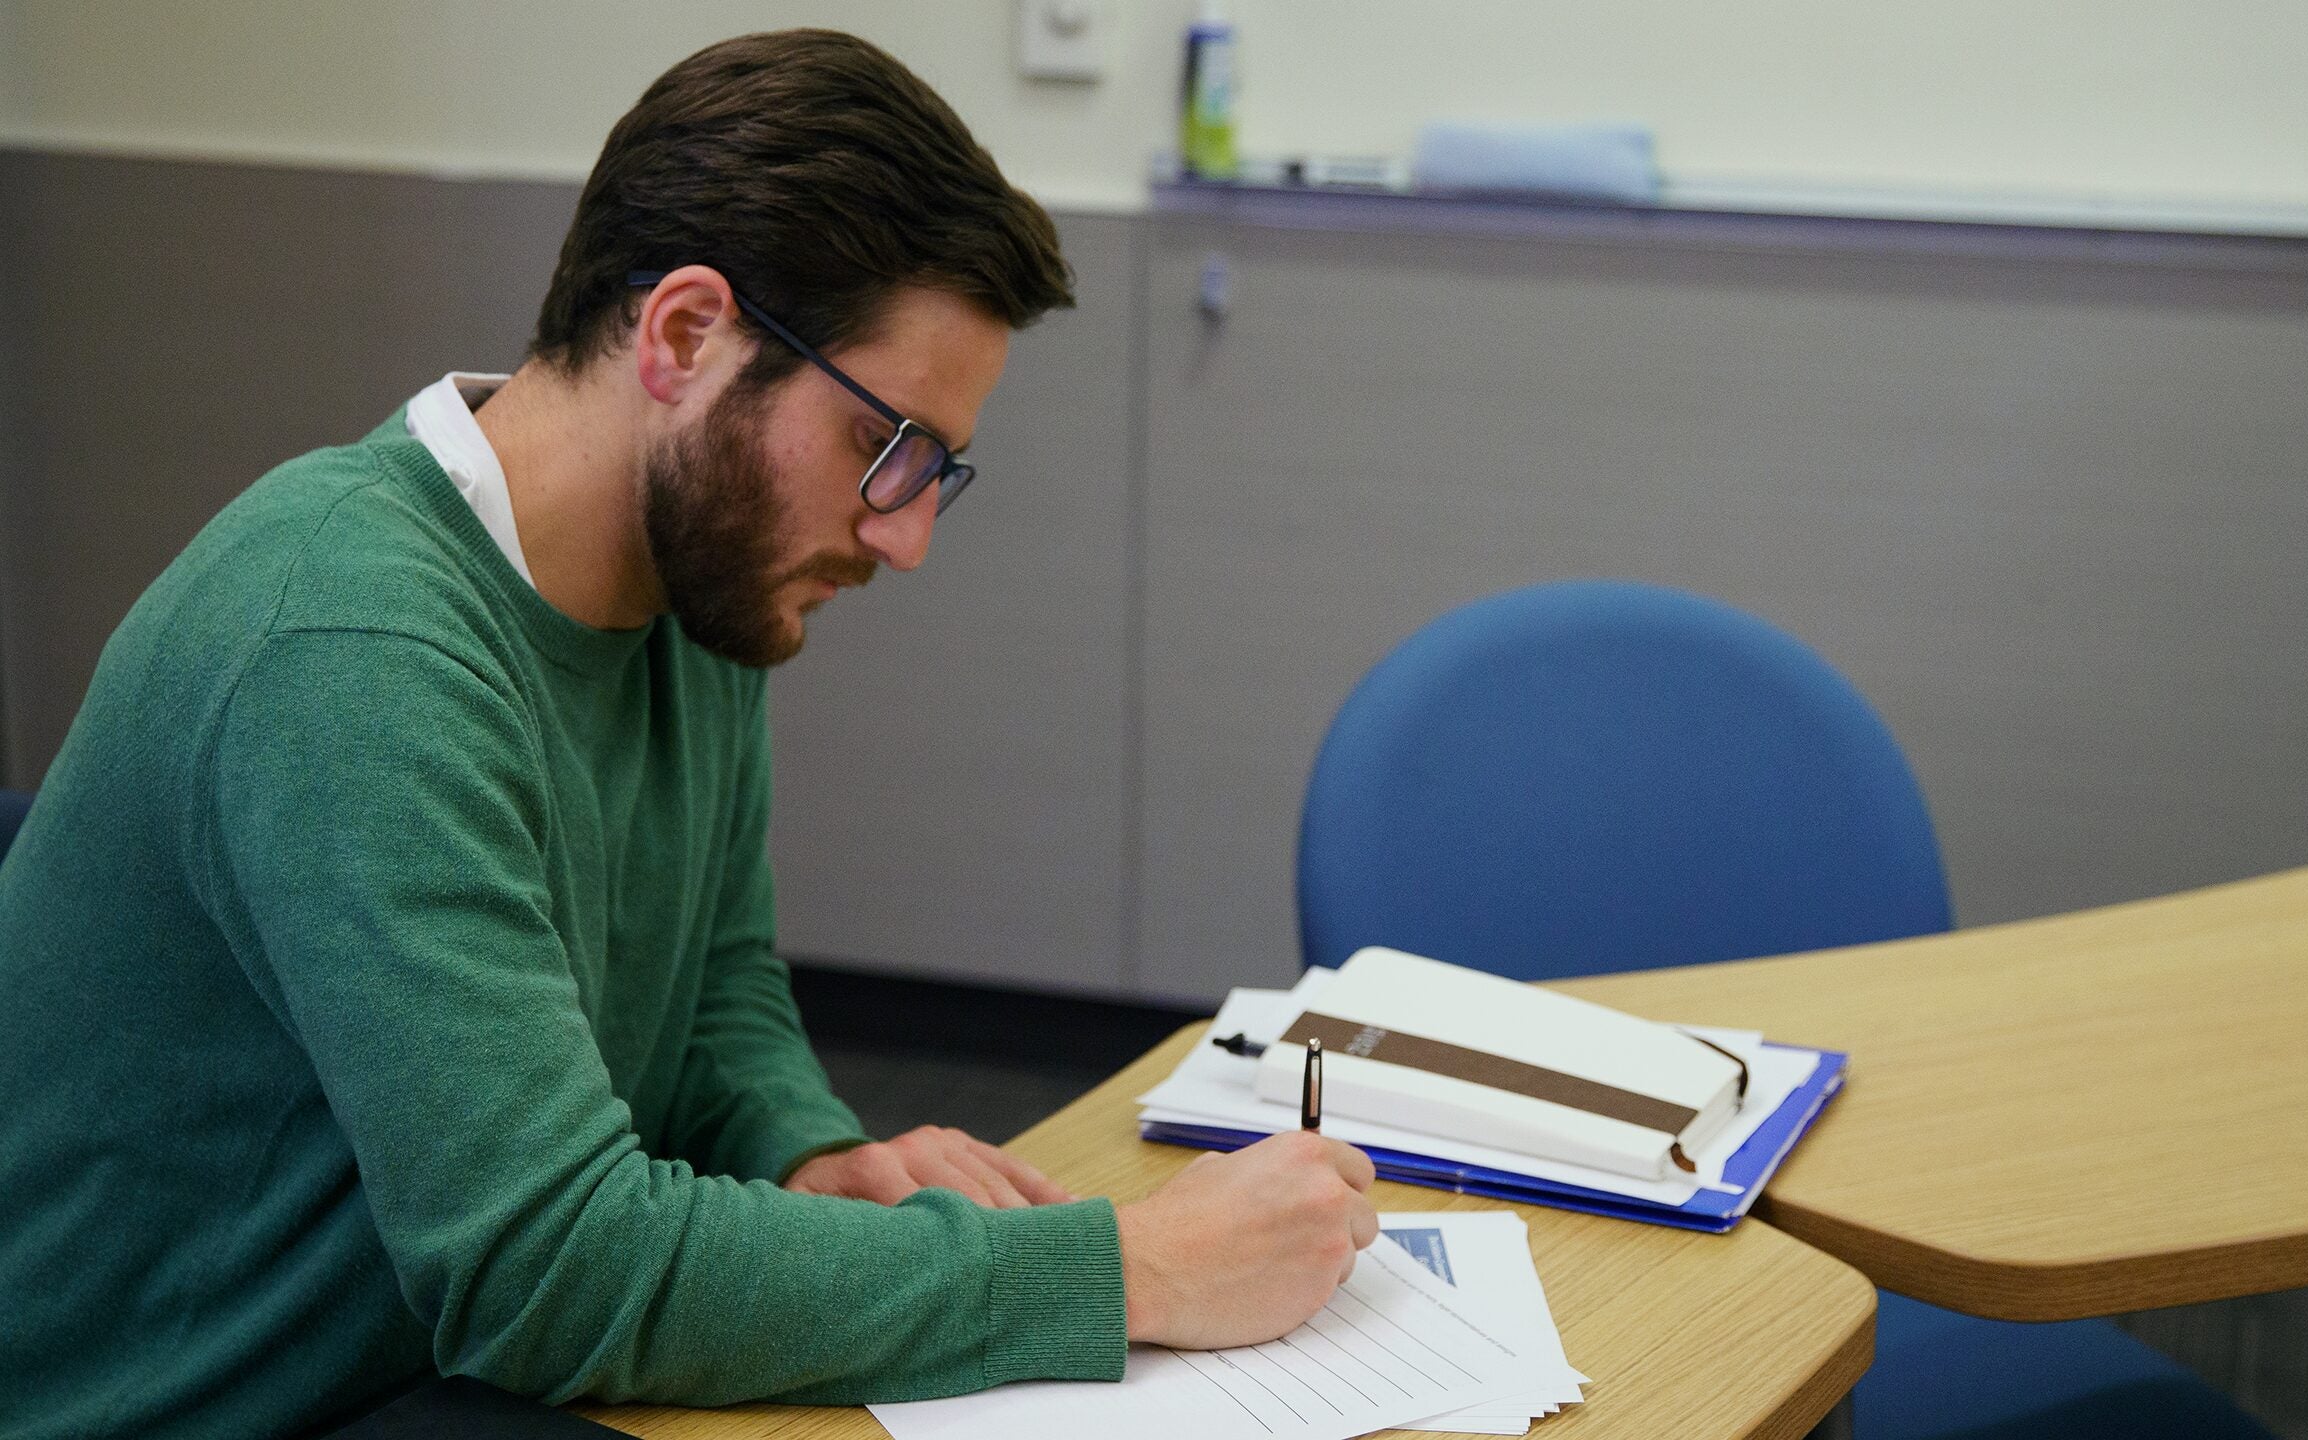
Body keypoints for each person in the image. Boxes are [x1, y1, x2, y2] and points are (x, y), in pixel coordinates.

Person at [0, 29, 1376, 1437]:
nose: (905, 540)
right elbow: (549, 1275)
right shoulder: (351, 649)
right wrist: (1128, 1269)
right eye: (887, 447)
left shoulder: (692, 577)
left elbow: (710, 984)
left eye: (938, 474)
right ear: (683, 336)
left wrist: (804, 1147)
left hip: (395, 1366)